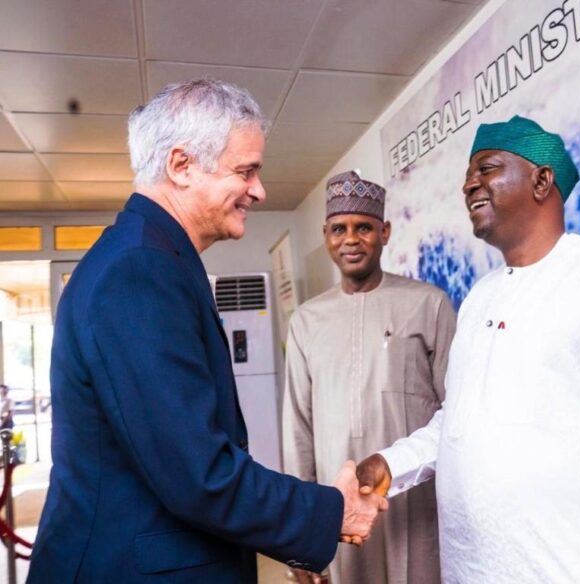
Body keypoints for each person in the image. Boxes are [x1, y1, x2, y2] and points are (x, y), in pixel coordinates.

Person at [28, 79, 386, 584]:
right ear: (181, 165)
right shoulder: (139, 271)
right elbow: (197, 474)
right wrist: (329, 512)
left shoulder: (153, 258)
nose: (259, 190)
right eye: (246, 171)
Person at [357, 116, 580, 583]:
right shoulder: (479, 298)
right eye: (467, 174)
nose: (469, 184)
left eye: (488, 168)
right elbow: (459, 423)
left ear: (542, 180)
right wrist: (391, 465)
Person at [283, 171, 456, 584]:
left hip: (414, 503)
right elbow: (298, 432)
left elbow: (458, 414)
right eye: (339, 229)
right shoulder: (307, 320)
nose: (351, 239)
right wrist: (299, 536)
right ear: (326, 235)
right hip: (336, 504)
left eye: (364, 228)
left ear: (385, 232)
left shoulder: (429, 304)